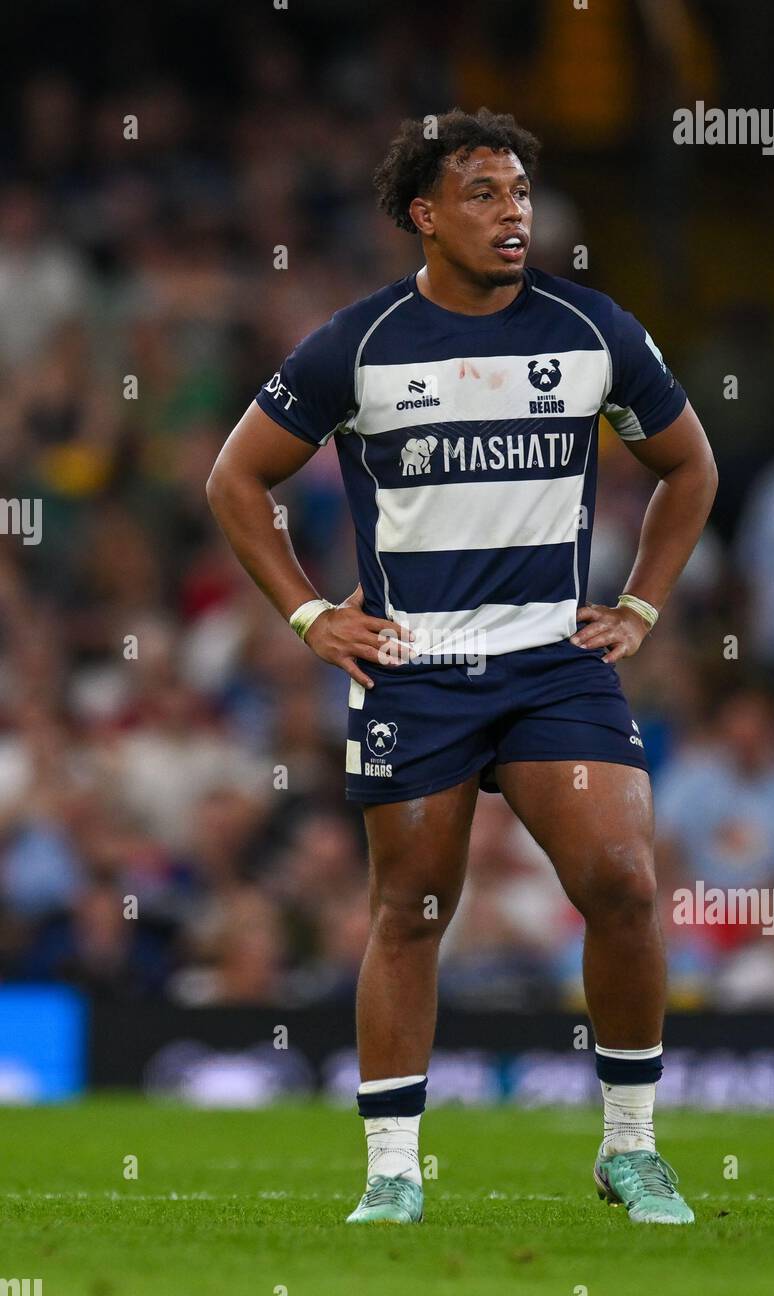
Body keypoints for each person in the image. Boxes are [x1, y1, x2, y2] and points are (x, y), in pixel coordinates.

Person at [207, 108, 717, 1226]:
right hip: (414, 667)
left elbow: (690, 466)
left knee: (625, 881)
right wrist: (305, 615)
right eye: (483, 192)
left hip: (553, 660)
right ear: (424, 216)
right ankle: (393, 1169)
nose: (513, 212)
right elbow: (235, 481)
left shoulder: (593, 331)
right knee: (413, 908)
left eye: (522, 191)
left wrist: (639, 605)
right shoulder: (358, 342)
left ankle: (630, 1148)